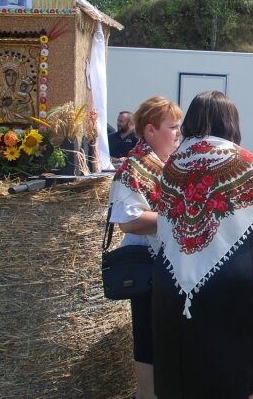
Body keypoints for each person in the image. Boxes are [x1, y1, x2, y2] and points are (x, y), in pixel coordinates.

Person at [152, 90, 253, 398]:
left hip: (170, 281)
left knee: (180, 375)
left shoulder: (172, 165)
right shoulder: (236, 159)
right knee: (231, 377)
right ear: (230, 122)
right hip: (225, 281)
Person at [107, 95, 182, 399]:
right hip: (148, 264)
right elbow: (128, 220)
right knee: (148, 337)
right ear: (151, 131)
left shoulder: (167, 165)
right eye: (172, 126)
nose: (178, 132)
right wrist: (180, 217)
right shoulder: (134, 168)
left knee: (164, 336)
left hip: (169, 263)